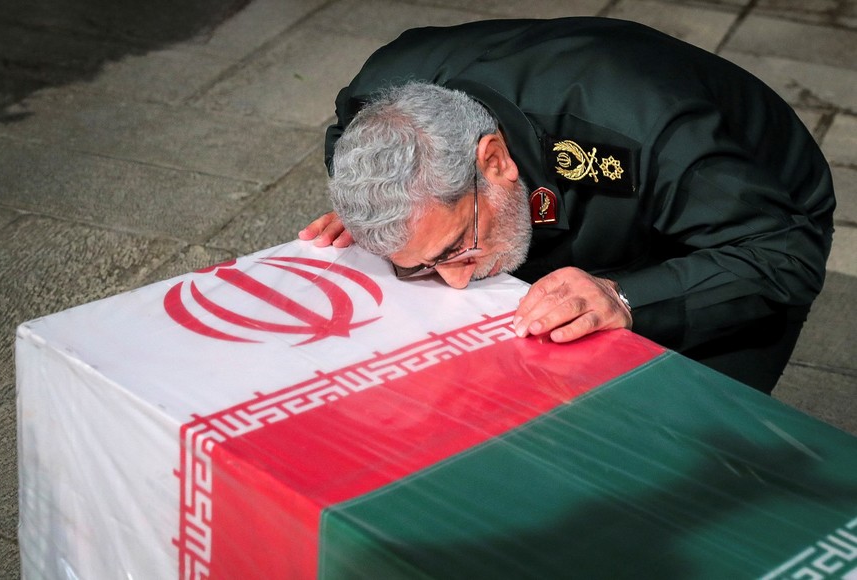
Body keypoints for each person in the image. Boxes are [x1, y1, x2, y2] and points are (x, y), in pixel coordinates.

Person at [298, 17, 835, 393]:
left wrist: (625, 297)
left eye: (457, 247)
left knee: (688, 447)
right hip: (553, 182)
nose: (456, 280)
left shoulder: (650, 133)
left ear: (494, 162)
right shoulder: (376, 96)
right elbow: (344, 140)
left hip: (743, 218)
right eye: (425, 263)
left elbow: (787, 254)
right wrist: (384, 222)